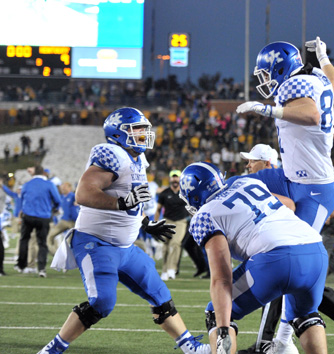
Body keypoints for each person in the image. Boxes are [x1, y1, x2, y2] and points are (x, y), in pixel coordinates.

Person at [38, 107, 210, 354]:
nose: (143, 133)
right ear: (118, 134)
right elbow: (84, 194)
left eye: (143, 129)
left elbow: (130, 199)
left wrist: (145, 222)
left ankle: (189, 346)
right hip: (97, 243)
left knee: (160, 294)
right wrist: (122, 203)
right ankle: (52, 349)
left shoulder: (137, 159)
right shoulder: (112, 154)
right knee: (103, 303)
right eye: (136, 129)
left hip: (126, 248)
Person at [236, 38, 334, 353]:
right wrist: (323, 56)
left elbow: (311, 115)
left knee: (289, 260)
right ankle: (277, 340)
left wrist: (267, 109)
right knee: (242, 186)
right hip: (297, 179)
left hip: (313, 188)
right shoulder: (315, 79)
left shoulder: (294, 86)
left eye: (266, 74)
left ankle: (279, 341)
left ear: (281, 68)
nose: (264, 82)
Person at [179, 161, 329, 354]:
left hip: (276, 259)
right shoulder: (248, 183)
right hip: (315, 250)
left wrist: (223, 328)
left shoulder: (205, 216)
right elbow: (288, 205)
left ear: (196, 195)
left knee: (216, 313)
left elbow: (221, 278)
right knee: (305, 315)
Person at [16, 165, 61, 278]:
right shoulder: (49, 184)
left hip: (28, 216)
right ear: (44, 173)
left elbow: (22, 199)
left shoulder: (27, 184)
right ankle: (41, 269)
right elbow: (57, 200)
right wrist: (54, 208)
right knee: (42, 243)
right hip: (43, 216)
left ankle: (21, 265)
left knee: (24, 240)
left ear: (34, 173)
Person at [155, 169, 189, 281]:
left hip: (180, 222)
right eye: (173, 177)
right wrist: (155, 224)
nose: (175, 179)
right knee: (165, 246)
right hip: (167, 221)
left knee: (175, 243)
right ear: (170, 179)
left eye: (177, 177)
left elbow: (192, 207)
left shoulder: (185, 193)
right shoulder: (164, 193)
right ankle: (165, 270)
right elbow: (158, 209)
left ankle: (171, 268)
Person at [46, 182, 79, 255]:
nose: (63, 188)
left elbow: (81, 200)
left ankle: (69, 256)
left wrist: (78, 203)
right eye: (62, 187)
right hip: (64, 220)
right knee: (50, 236)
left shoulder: (73, 196)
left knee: (70, 241)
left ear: (69, 188)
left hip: (73, 222)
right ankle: (56, 254)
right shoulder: (61, 197)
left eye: (65, 186)